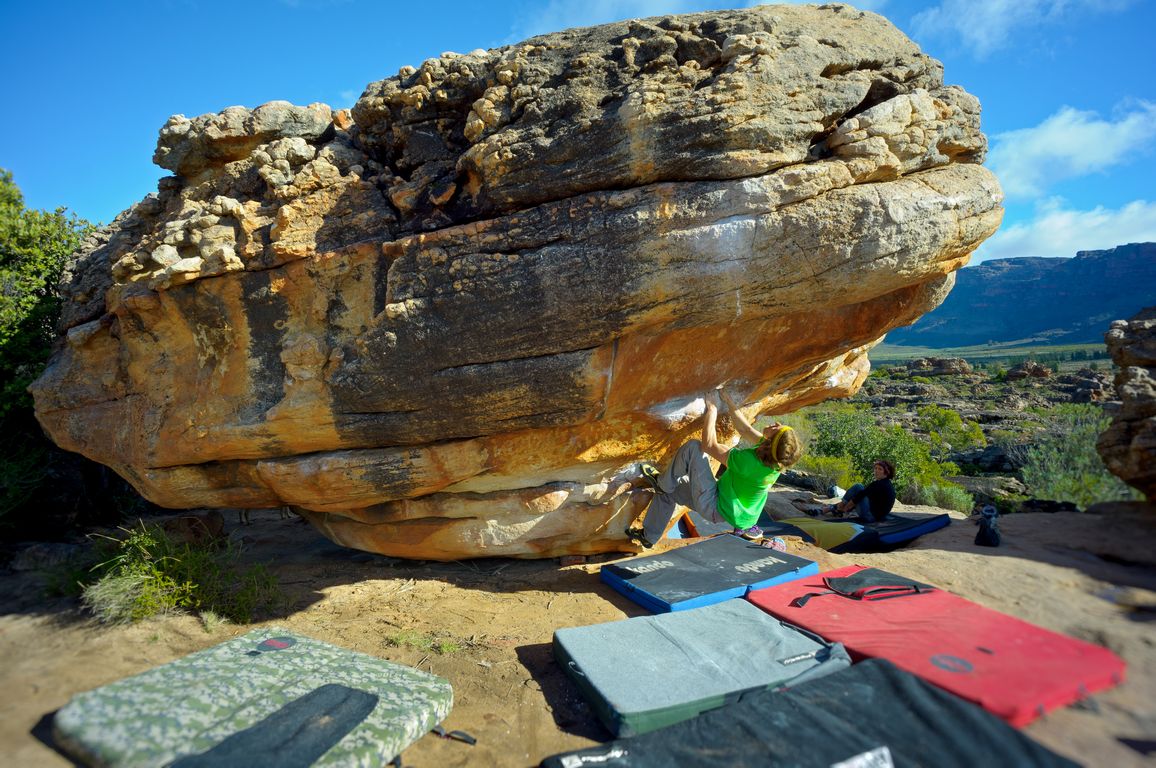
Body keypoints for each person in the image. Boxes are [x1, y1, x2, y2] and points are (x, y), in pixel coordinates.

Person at [625, 389, 804, 548]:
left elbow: (708, 445)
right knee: (670, 490)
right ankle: (649, 536)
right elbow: (745, 429)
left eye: (778, 428)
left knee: (693, 448)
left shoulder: (749, 462)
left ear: (771, 442)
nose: (775, 424)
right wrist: (729, 401)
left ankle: (661, 483)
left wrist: (712, 410)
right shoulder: (773, 461)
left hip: (714, 504)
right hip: (725, 508)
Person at [825, 459, 896, 522]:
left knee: (858, 487)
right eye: (875, 468)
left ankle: (838, 507)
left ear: (887, 472)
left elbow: (859, 496)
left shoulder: (880, 484)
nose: (876, 471)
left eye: (880, 469)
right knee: (859, 492)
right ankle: (835, 507)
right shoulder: (885, 483)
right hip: (874, 516)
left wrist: (845, 508)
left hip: (870, 517)